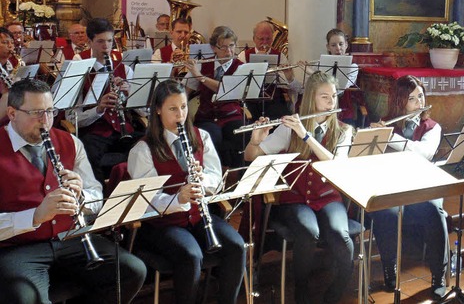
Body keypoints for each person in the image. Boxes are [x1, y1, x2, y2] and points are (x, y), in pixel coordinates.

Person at [0, 78, 146, 304]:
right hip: (18, 247)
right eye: (37, 112)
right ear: (11, 113)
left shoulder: (70, 142)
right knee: (26, 297)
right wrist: (35, 216)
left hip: (71, 238)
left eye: (50, 111)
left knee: (131, 270)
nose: (46, 121)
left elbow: (96, 197)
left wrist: (81, 196)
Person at [127, 79, 246, 304]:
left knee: (236, 247)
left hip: (199, 215)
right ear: (159, 110)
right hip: (164, 223)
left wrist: (204, 183)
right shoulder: (143, 149)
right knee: (191, 256)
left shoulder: (201, 136)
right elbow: (147, 200)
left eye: (183, 107)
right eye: (173, 109)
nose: (180, 114)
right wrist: (177, 198)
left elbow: (215, 178)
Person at [244, 71, 354, 304]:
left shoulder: (344, 130)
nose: (331, 102)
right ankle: (301, 290)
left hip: (328, 197)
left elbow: (336, 165)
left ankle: (337, 290)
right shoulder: (289, 127)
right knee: (308, 231)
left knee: (340, 234)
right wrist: (255, 140)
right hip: (295, 198)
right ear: (311, 99)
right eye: (324, 97)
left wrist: (306, 136)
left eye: (333, 96)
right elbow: (251, 157)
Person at [369, 75, 448, 298]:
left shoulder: (432, 127)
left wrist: (390, 138)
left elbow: (423, 152)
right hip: (393, 187)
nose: (419, 103)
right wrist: (375, 136)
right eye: (412, 98)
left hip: (423, 187)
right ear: (400, 101)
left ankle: (438, 274)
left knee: (434, 210)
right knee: (385, 212)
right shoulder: (386, 123)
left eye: (421, 96)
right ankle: (389, 269)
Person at [70, 18, 141, 183]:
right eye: (100, 41)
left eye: (110, 41)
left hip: (124, 130)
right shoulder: (80, 72)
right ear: (89, 42)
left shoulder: (124, 69)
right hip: (95, 133)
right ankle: (99, 198)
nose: (106, 47)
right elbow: (73, 119)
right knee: (89, 150)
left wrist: (130, 93)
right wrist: (99, 109)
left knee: (149, 144)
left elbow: (144, 110)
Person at [185, 25, 246, 169]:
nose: (229, 51)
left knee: (241, 134)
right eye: (223, 47)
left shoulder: (241, 67)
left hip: (231, 115)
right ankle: (212, 178)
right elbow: (184, 93)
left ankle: (238, 178)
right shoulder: (200, 65)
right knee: (210, 136)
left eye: (231, 46)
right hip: (207, 117)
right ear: (214, 48)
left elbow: (225, 89)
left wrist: (200, 77)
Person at [240, 20, 296, 120]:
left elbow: (288, 83)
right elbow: (240, 81)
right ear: (254, 39)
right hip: (251, 99)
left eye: (268, 39)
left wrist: (288, 76)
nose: (265, 43)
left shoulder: (280, 56)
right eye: (261, 39)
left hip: (274, 99)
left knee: (284, 119)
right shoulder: (243, 55)